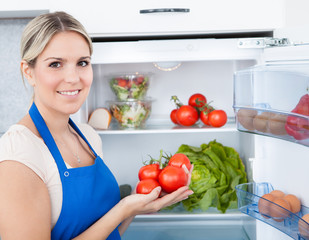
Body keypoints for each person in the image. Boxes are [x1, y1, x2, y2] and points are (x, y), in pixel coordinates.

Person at [0, 11, 193, 240]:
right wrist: (124, 209)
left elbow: (107, 234)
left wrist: (139, 204)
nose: (73, 78)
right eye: (55, 64)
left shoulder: (88, 137)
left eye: (82, 63)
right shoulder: (19, 154)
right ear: (28, 72)